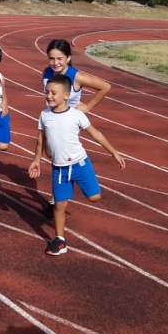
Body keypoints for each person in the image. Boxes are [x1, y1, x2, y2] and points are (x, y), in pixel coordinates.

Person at [29, 74, 125, 256]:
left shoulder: (76, 115)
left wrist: (114, 152)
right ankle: (60, 240)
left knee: (94, 197)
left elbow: (96, 134)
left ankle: (82, 184)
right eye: (46, 92)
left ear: (66, 95)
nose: (49, 96)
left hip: (81, 164)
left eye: (53, 93)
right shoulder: (44, 115)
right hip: (59, 169)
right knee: (59, 205)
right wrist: (36, 160)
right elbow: (41, 140)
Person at [42, 39, 112, 114]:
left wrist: (88, 106)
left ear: (68, 58)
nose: (55, 63)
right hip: (51, 120)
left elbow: (105, 87)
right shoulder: (47, 72)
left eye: (59, 59)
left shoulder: (77, 77)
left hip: (70, 122)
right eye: (52, 59)